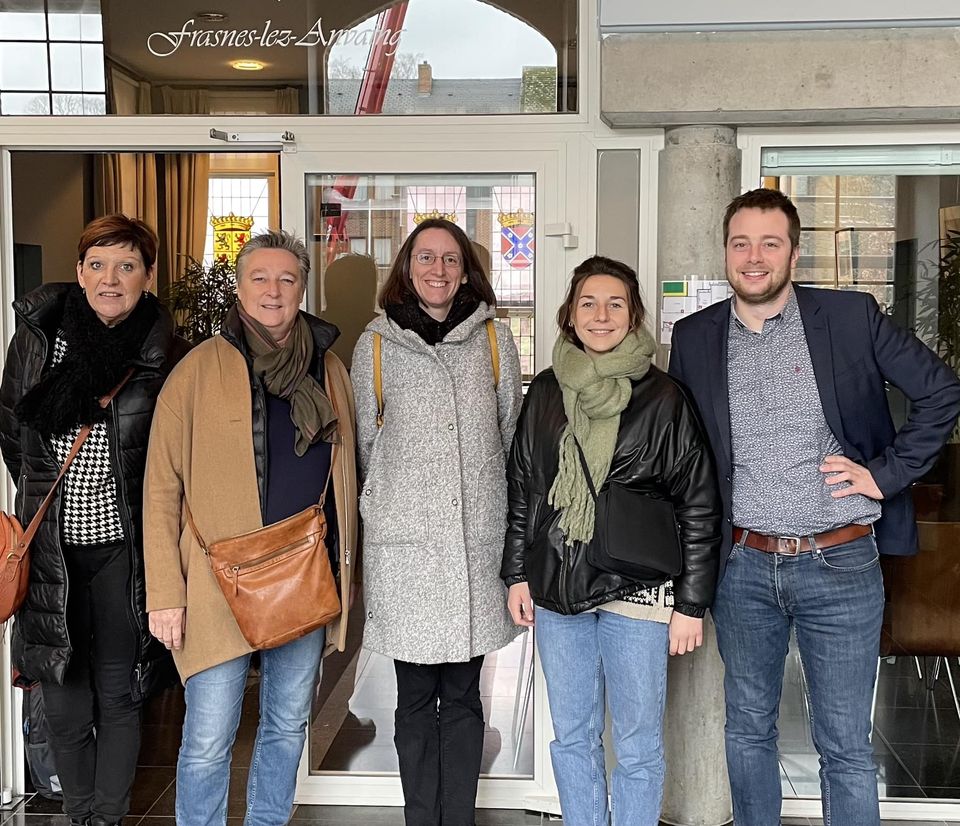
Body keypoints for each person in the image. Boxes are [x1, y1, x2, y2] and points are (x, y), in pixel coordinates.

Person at [669, 187, 960, 826]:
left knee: (844, 745)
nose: (754, 257)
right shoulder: (694, 337)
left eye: (769, 243)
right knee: (747, 729)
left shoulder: (850, 317)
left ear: (794, 254)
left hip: (842, 562)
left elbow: (942, 391)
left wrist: (885, 475)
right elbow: (685, 455)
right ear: (726, 252)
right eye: (741, 243)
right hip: (743, 565)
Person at [143, 230, 359, 826]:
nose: (273, 290)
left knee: (287, 725)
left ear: (303, 288)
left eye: (287, 279)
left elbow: (350, 473)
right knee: (208, 737)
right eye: (260, 278)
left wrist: (349, 570)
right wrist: (165, 593)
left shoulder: (329, 367)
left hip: (303, 575)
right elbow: (160, 488)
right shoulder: (196, 370)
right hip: (215, 581)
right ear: (239, 288)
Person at [501, 255, 722, 826]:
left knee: (638, 743)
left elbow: (699, 504)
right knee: (572, 735)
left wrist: (691, 604)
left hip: (638, 588)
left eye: (615, 304)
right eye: (588, 303)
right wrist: (517, 573)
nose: (601, 315)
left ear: (634, 315)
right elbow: (524, 486)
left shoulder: (665, 398)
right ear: (570, 315)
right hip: (559, 584)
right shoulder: (545, 390)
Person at [0, 214, 188, 826]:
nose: (111, 279)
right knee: (62, 692)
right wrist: (43, 495)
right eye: (99, 265)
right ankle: (78, 814)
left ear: (148, 276)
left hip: (123, 549)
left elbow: (172, 456)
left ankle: (107, 817)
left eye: (127, 266)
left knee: (118, 689)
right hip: (50, 546)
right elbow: (13, 431)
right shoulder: (38, 338)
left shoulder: (164, 352)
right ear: (80, 272)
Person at [350, 218, 522, 826]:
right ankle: (422, 817)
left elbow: (508, 437)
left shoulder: (495, 340)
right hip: (407, 552)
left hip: (475, 545)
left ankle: (460, 817)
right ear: (407, 267)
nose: (438, 270)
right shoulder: (375, 346)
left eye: (451, 259)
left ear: (466, 271)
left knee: (465, 697)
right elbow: (366, 449)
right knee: (416, 698)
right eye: (426, 257)